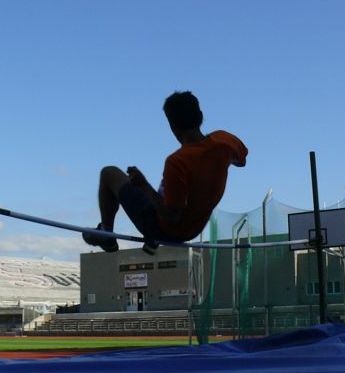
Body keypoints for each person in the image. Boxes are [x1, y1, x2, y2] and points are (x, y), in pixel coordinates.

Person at [83, 91, 247, 254]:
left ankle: (106, 234)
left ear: (172, 126)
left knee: (109, 173)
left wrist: (143, 185)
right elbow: (241, 161)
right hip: (194, 228)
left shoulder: (178, 161)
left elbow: (172, 216)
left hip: (165, 229)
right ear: (201, 115)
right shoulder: (225, 141)